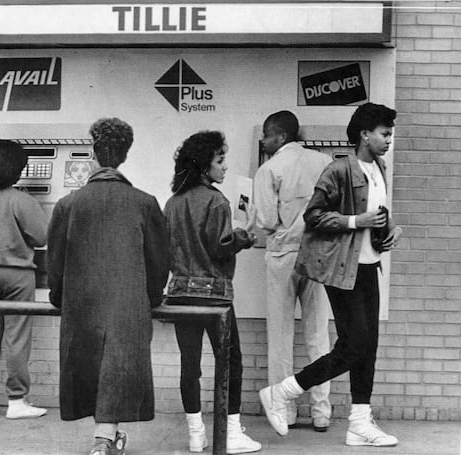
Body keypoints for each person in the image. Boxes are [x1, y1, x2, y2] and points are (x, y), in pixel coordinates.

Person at [259, 103, 403, 447]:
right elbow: (314, 216)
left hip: (369, 266)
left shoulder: (378, 167)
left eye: (390, 134)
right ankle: (283, 392)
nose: (388, 141)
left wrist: (389, 229)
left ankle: (359, 422)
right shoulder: (338, 170)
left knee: (368, 347)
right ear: (364, 134)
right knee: (353, 345)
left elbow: (377, 213)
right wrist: (356, 222)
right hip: (342, 269)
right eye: (384, 134)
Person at [47, 117, 169, 455]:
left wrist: (60, 297)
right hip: (128, 306)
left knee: (89, 369)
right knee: (118, 369)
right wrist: (151, 298)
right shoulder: (145, 203)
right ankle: (105, 439)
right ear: (126, 155)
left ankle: (104, 439)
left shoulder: (68, 205)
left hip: (81, 305)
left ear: (92, 152)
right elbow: (160, 262)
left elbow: (54, 264)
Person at [164, 131, 262, 454]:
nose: (224, 167)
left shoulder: (173, 202)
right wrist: (243, 237)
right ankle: (231, 432)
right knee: (230, 361)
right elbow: (220, 249)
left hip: (179, 294)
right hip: (214, 297)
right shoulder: (217, 201)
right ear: (205, 166)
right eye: (220, 161)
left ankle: (196, 434)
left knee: (189, 365)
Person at [253, 111, 332, 432]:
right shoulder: (324, 162)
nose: (264, 141)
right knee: (318, 334)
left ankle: (284, 412)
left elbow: (267, 221)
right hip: (317, 255)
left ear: (281, 136)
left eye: (268, 135)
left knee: (281, 336)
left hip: (282, 257)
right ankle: (321, 412)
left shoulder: (268, 169)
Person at [0, 140, 48, 419]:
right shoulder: (22, 200)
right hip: (16, 274)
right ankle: (16, 402)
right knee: (17, 337)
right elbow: (41, 237)